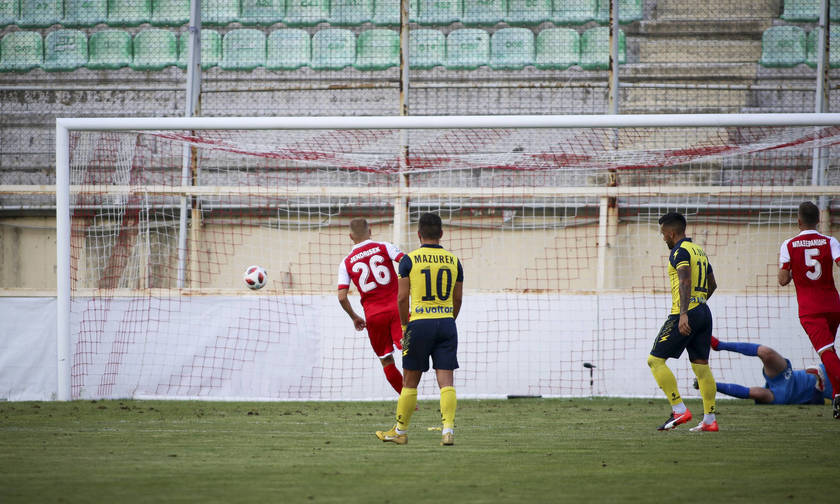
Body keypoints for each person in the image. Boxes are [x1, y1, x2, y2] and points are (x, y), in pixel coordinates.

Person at [375, 213, 463, 446]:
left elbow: (402, 298)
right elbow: (458, 299)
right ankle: (448, 430)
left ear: (419, 234)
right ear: (441, 234)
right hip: (446, 322)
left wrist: (405, 326)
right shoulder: (454, 261)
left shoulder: (409, 260)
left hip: (419, 324)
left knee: (410, 381)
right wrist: (448, 319)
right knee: (446, 381)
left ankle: (400, 432)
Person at [648, 212, 719, 432]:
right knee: (701, 367)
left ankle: (679, 409)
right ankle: (709, 420)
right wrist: (698, 307)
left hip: (684, 311)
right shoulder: (699, 250)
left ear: (671, 232)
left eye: (663, 234)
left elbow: (685, 279)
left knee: (655, 360)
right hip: (704, 311)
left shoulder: (679, 252)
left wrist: (685, 313)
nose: (663, 239)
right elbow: (712, 284)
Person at [778, 201, 840, 419]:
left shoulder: (789, 244)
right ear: (819, 220)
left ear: (798, 221)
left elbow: (783, 280)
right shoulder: (830, 241)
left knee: (826, 353)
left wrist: (796, 269)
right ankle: (836, 396)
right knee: (829, 353)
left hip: (810, 309)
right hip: (833, 306)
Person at [337, 218, 405, 395]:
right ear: (370, 230)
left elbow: (342, 297)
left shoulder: (346, 262)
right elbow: (406, 262)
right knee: (410, 350)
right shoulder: (385, 247)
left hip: (374, 316)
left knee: (386, 359)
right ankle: (416, 388)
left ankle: (409, 401)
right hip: (398, 309)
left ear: (351, 236)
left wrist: (354, 317)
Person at [698, 336, 833, 405]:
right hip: (789, 376)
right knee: (766, 353)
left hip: (786, 397)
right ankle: (719, 345)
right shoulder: (833, 366)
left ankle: (710, 385)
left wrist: (818, 389)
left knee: (758, 394)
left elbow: (819, 405)